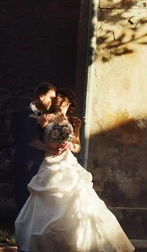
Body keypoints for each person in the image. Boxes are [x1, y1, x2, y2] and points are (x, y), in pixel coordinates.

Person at [15, 87, 134, 252]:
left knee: (78, 198)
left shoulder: (75, 121)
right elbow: (33, 139)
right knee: (51, 196)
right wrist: (49, 143)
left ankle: (82, 241)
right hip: (50, 160)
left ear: (68, 101)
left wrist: (69, 144)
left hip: (68, 161)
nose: (58, 99)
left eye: (62, 97)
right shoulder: (46, 117)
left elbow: (77, 146)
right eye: (57, 96)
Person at [11, 82, 64, 211]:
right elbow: (25, 139)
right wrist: (50, 148)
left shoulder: (45, 115)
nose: (53, 102)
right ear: (41, 96)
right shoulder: (20, 113)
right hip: (24, 162)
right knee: (24, 196)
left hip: (41, 162)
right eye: (51, 98)